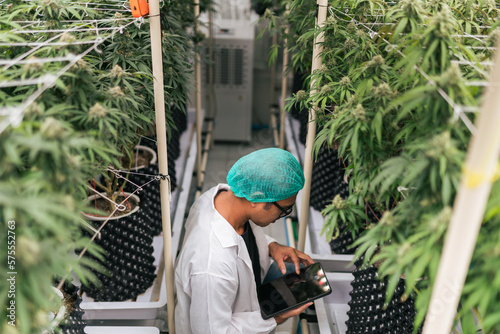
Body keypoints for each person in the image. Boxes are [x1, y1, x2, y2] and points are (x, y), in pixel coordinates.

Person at [174, 147, 315, 333]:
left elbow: (243, 237)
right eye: (284, 210)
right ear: (257, 200)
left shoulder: (224, 199)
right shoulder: (212, 267)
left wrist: (272, 246)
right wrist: (275, 317)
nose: (284, 215)